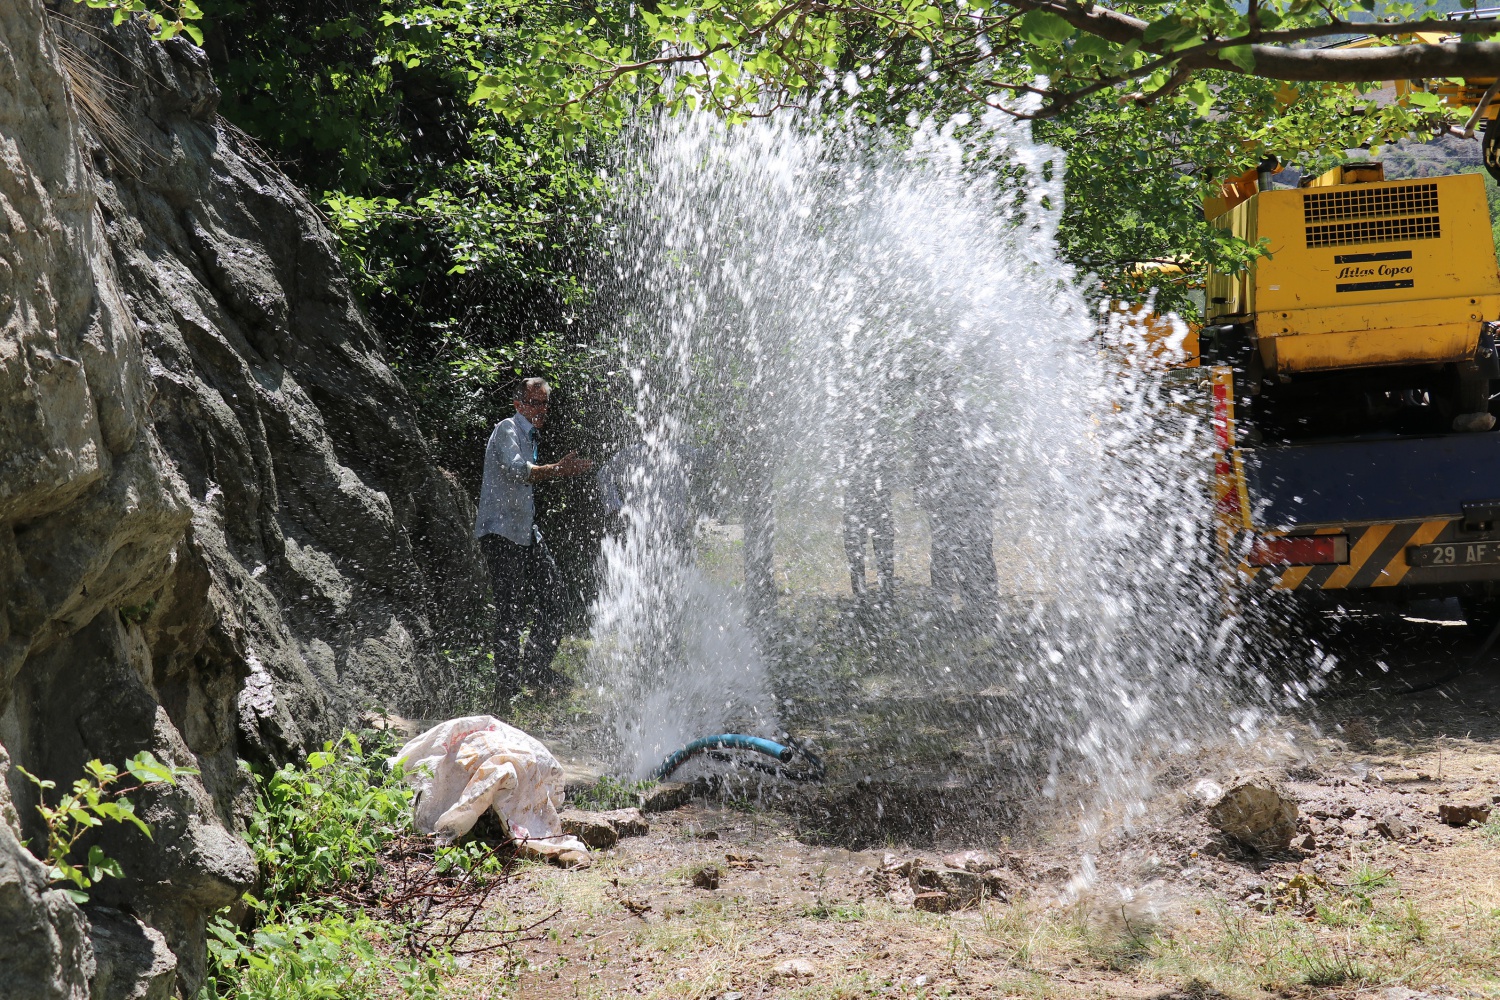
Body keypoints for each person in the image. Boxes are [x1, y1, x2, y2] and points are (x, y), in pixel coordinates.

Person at [475, 378, 593, 701]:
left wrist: (557, 470)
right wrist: (557, 469)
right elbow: (518, 471)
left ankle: (536, 668)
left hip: (525, 532)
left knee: (555, 597)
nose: (541, 410)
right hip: (500, 532)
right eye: (535, 403)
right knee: (510, 611)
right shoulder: (507, 430)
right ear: (518, 405)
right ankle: (507, 689)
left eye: (544, 404)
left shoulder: (530, 436)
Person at [912, 385, 1000, 622]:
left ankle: (982, 604)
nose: (941, 397)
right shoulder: (925, 420)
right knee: (944, 548)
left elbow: (991, 456)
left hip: (972, 496)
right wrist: (922, 490)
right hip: (944, 499)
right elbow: (920, 459)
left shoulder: (975, 417)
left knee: (978, 547)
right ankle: (944, 605)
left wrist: (990, 492)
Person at [841, 403, 896, 603]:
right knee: (863, 546)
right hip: (866, 497)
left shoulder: (879, 429)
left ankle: (873, 593)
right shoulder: (857, 429)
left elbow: (890, 466)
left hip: (868, 498)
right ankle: (870, 593)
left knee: (870, 547)